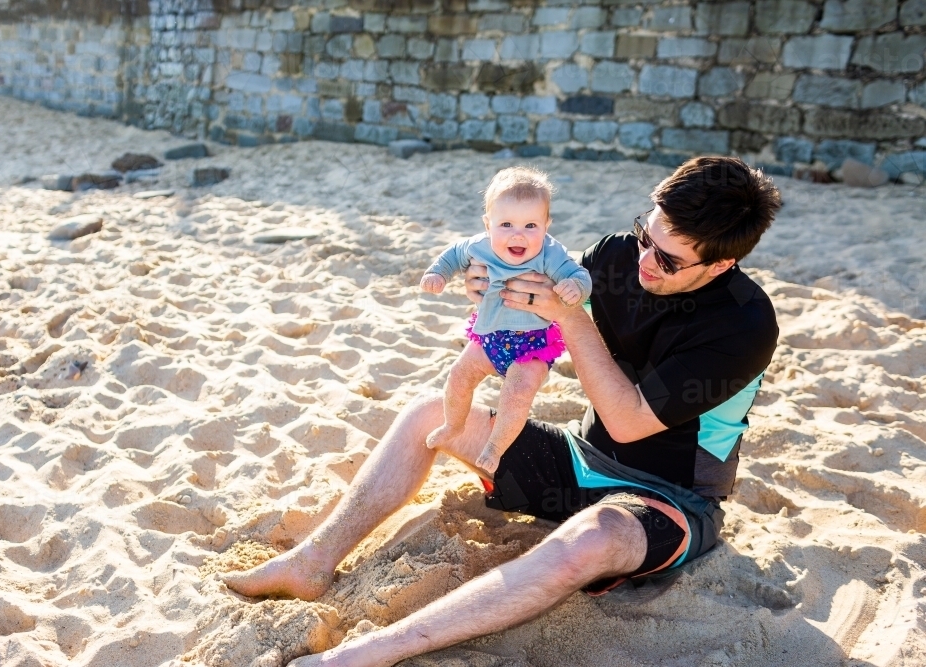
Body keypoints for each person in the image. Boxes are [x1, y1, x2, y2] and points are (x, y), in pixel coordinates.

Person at [221, 156, 783, 667]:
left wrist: (569, 317)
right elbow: (529, 294)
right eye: (645, 234)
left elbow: (629, 421)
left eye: (667, 258)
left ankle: (372, 653)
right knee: (429, 416)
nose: (644, 261)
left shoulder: (744, 325)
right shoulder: (618, 255)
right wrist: (487, 286)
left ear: (720, 263)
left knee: (592, 537)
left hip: (671, 500)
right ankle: (311, 562)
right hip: (582, 463)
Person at [420, 166, 592, 475]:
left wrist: (575, 287)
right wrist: (437, 273)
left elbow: (578, 274)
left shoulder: (550, 254)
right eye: (506, 224)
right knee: (459, 377)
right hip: (489, 337)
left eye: (530, 225)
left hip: (532, 344)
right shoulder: (478, 246)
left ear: (547, 225)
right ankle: (452, 425)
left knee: (517, 393)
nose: (518, 234)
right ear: (487, 224)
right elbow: (452, 255)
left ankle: (495, 446)